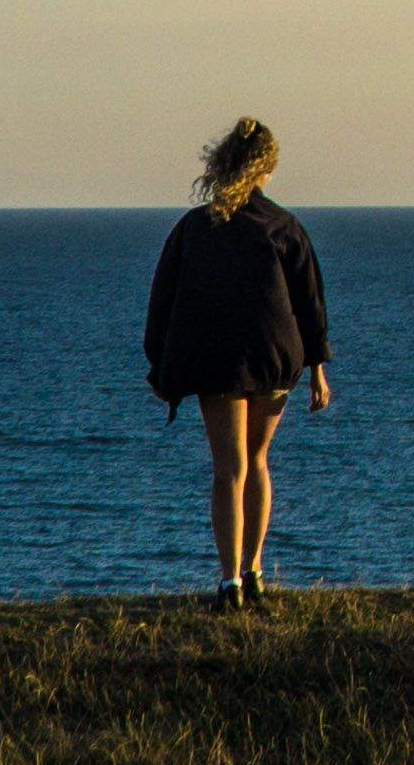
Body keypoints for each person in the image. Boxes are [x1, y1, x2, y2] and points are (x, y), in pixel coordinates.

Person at [141, 117, 331, 603]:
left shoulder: (193, 228)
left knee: (229, 469)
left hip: (217, 362)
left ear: (223, 164)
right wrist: (318, 370)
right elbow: (310, 302)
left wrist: (160, 365)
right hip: (273, 358)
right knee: (258, 461)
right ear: (266, 168)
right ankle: (254, 572)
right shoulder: (284, 226)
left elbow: (161, 300)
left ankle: (229, 583)